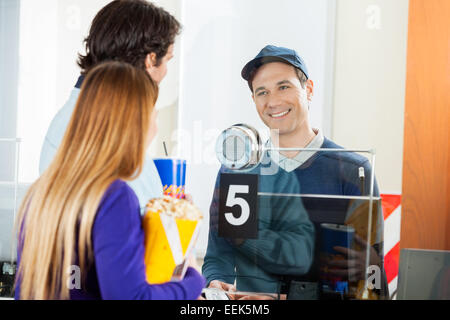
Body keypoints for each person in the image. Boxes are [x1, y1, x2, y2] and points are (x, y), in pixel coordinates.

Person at [202, 45, 388, 299]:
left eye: (284, 86)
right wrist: (216, 284)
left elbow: (370, 279)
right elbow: (218, 257)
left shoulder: (354, 170)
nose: (273, 101)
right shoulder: (236, 170)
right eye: (262, 92)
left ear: (308, 89)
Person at [15, 62, 205, 300]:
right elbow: (131, 297)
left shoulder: (41, 193)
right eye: (152, 117)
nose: (155, 129)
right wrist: (192, 278)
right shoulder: (114, 196)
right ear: (133, 124)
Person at [39, 0, 180, 211]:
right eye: (167, 60)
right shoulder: (101, 130)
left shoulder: (74, 118)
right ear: (150, 60)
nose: (165, 72)